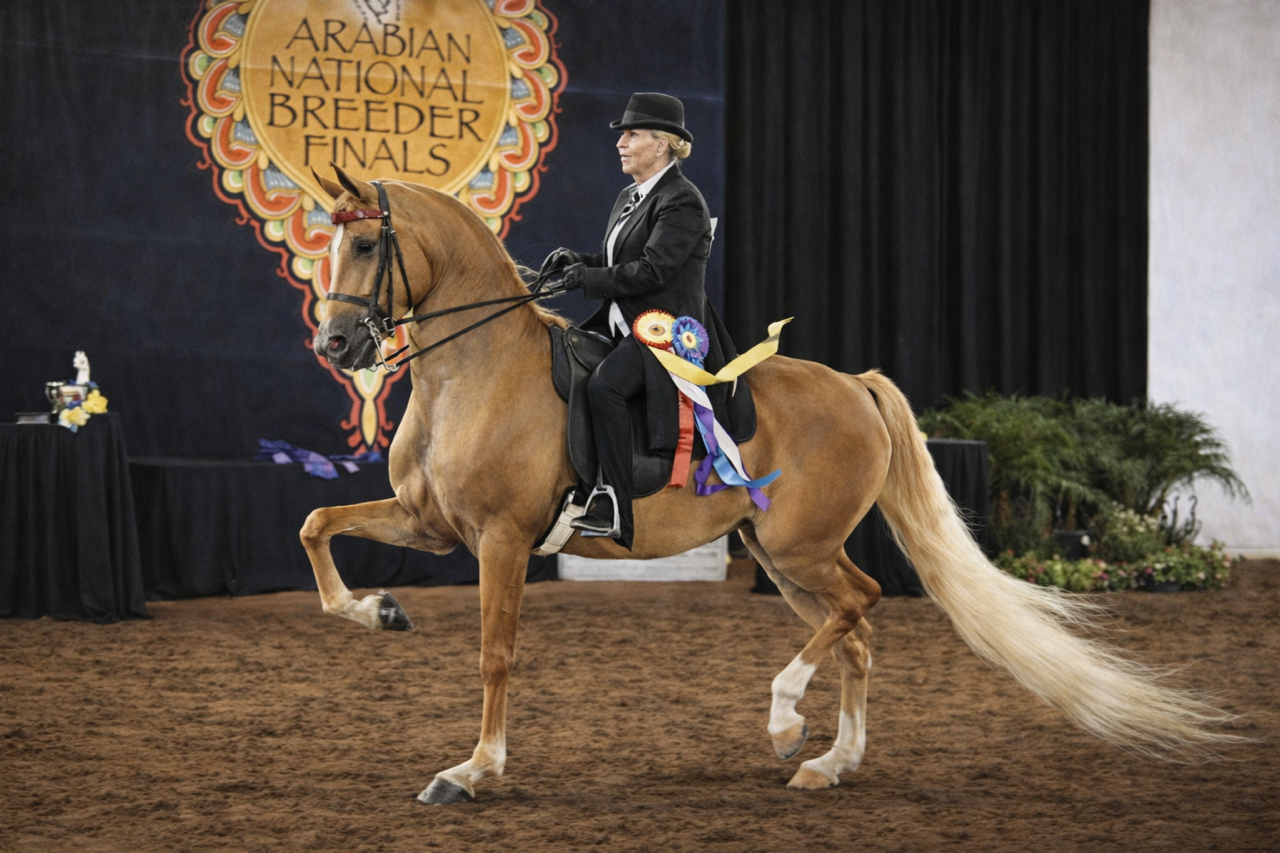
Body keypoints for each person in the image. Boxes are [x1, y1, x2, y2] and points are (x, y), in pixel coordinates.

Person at [544, 92, 737, 550]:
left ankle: (613, 502)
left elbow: (653, 271)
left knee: (604, 386)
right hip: (624, 321)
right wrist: (580, 260)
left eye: (632, 134)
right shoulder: (630, 196)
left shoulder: (682, 201)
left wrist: (584, 277)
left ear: (663, 144)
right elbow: (620, 259)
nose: (621, 143)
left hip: (667, 330)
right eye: (623, 135)